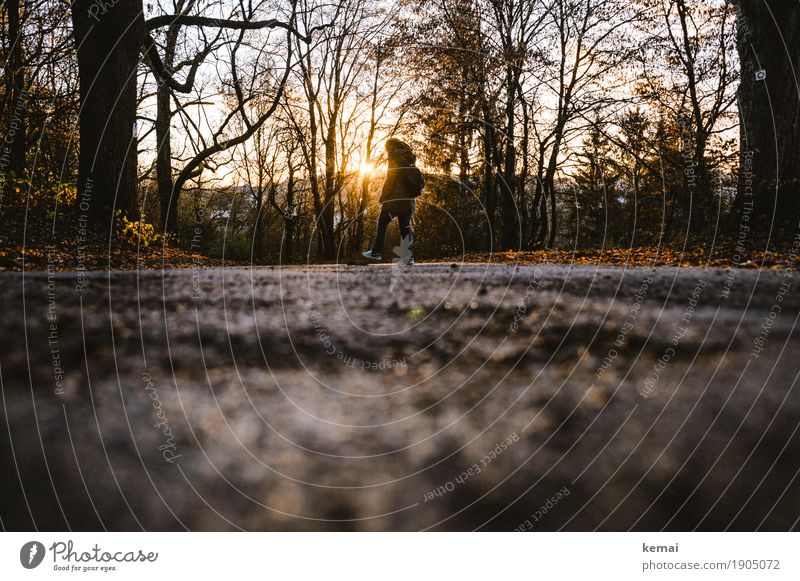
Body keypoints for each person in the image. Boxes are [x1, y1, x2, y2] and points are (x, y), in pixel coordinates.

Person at [362, 138, 422, 265]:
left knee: (382, 222)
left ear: (390, 147)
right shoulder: (408, 157)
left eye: (386, 148)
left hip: (395, 199)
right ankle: (409, 257)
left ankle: (376, 252)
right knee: (405, 227)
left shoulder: (394, 156)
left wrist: (383, 197)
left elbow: (390, 179)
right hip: (409, 200)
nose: (386, 151)